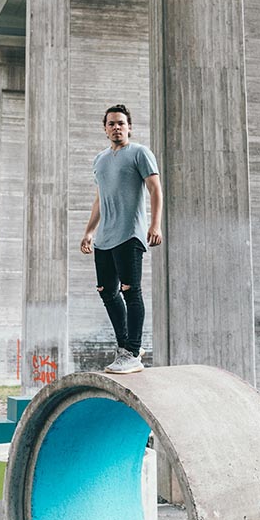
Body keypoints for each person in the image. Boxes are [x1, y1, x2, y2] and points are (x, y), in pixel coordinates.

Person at [80, 104, 162, 374]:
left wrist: (155, 224)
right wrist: (89, 231)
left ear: (129, 127)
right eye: (112, 123)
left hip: (130, 235)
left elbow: (155, 188)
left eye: (121, 123)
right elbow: (99, 199)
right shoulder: (100, 159)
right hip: (105, 238)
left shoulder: (140, 153)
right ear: (105, 129)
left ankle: (132, 351)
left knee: (131, 291)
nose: (117, 127)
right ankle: (126, 347)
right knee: (107, 292)